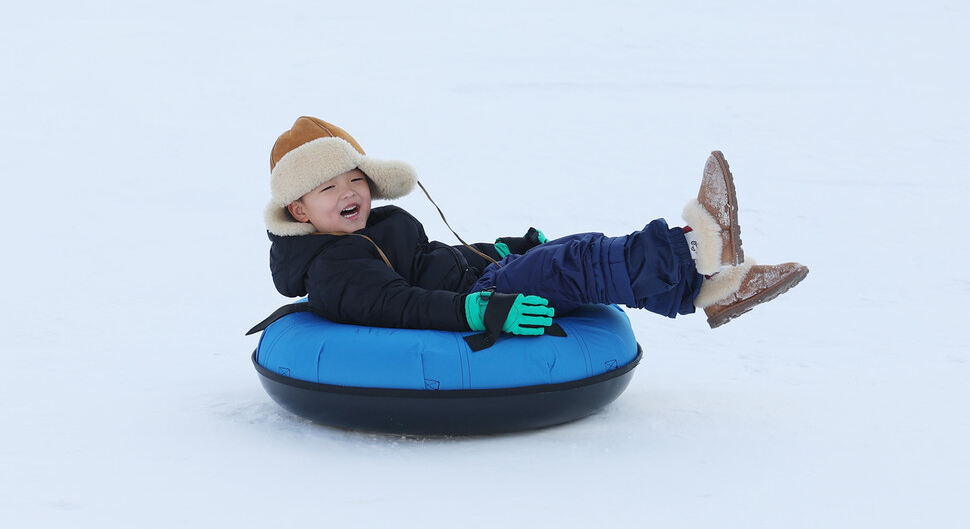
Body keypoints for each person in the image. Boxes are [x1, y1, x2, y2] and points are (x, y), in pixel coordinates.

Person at [264, 116, 807, 349]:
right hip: (472, 306)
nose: (348, 192)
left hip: (478, 283)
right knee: (565, 267)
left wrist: (498, 250)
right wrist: (475, 311)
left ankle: (712, 290)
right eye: (328, 187)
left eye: (354, 178)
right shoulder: (331, 267)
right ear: (300, 209)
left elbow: (432, 261)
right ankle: (700, 242)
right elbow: (397, 305)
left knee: (570, 249)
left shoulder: (386, 226)